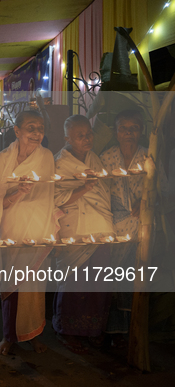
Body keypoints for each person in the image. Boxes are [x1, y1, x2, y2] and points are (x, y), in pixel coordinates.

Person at [0, 110, 57, 355]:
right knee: (12, 284)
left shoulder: (47, 156)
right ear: (17, 131)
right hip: (11, 228)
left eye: (40, 127)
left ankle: (34, 333)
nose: (37, 133)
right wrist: (20, 193)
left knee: (35, 287)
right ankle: (9, 336)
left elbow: (48, 197)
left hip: (36, 228)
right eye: (31, 127)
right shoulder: (4, 157)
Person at [100, 109, 168, 347]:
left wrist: (146, 200)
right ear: (116, 132)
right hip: (112, 226)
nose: (128, 133)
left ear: (141, 131)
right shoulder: (106, 157)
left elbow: (163, 191)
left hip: (141, 229)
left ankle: (132, 332)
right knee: (111, 278)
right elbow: (99, 193)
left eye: (133, 128)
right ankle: (112, 333)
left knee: (132, 276)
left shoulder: (148, 158)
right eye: (123, 128)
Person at [52, 115, 114, 353]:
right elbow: (56, 199)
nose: (87, 138)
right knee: (74, 283)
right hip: (74, 229)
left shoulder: (94, 158)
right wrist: (83, 188)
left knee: (99, 281)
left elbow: (104, 191)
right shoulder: (59, 163)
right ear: (67, 138)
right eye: (80, 135)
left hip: (100, 227)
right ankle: (67, 331)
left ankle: (93, 330)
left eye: (89, 133)